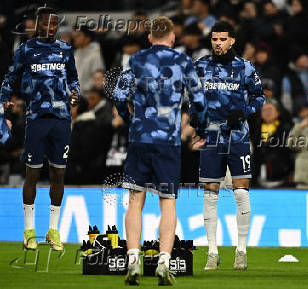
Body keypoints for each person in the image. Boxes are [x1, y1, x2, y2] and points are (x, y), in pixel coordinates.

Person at [112, 16, 206, 286]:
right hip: (169, 142)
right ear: (173, 38)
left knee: (134, 201)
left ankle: (132, 260)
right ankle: (164, 263)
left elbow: (119, 96)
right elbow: (198, 100)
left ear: (150, 37)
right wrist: (197, 124)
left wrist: (129, 119)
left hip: (140, 139)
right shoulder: (183, 62)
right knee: (168, 202)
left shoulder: (137, 60)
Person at [0, 6, 79, 251]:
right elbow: (10, 77)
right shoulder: (26, 50)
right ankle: (29, 232)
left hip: (61, 119)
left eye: (55, 24)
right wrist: (5, 99)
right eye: (46, 24)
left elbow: (74, 78)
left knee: (58, 174)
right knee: (32, 174)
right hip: (36, 118)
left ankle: (53, 231)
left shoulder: (65, 49)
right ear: (37, 25)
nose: (51, 28)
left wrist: (75, 93)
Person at [195, 21, 265, 271]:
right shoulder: (201, 66)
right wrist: (196, 118)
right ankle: (212, 252)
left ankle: (241, 250)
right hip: (212, 137)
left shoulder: (245, 67)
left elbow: (260, 96)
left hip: (237, 136)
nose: (218, 43)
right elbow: (191, 96)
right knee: (210, 196)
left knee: (240, 192)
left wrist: (244, 112)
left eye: (223, 39)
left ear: (232, 41)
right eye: (214, 39)